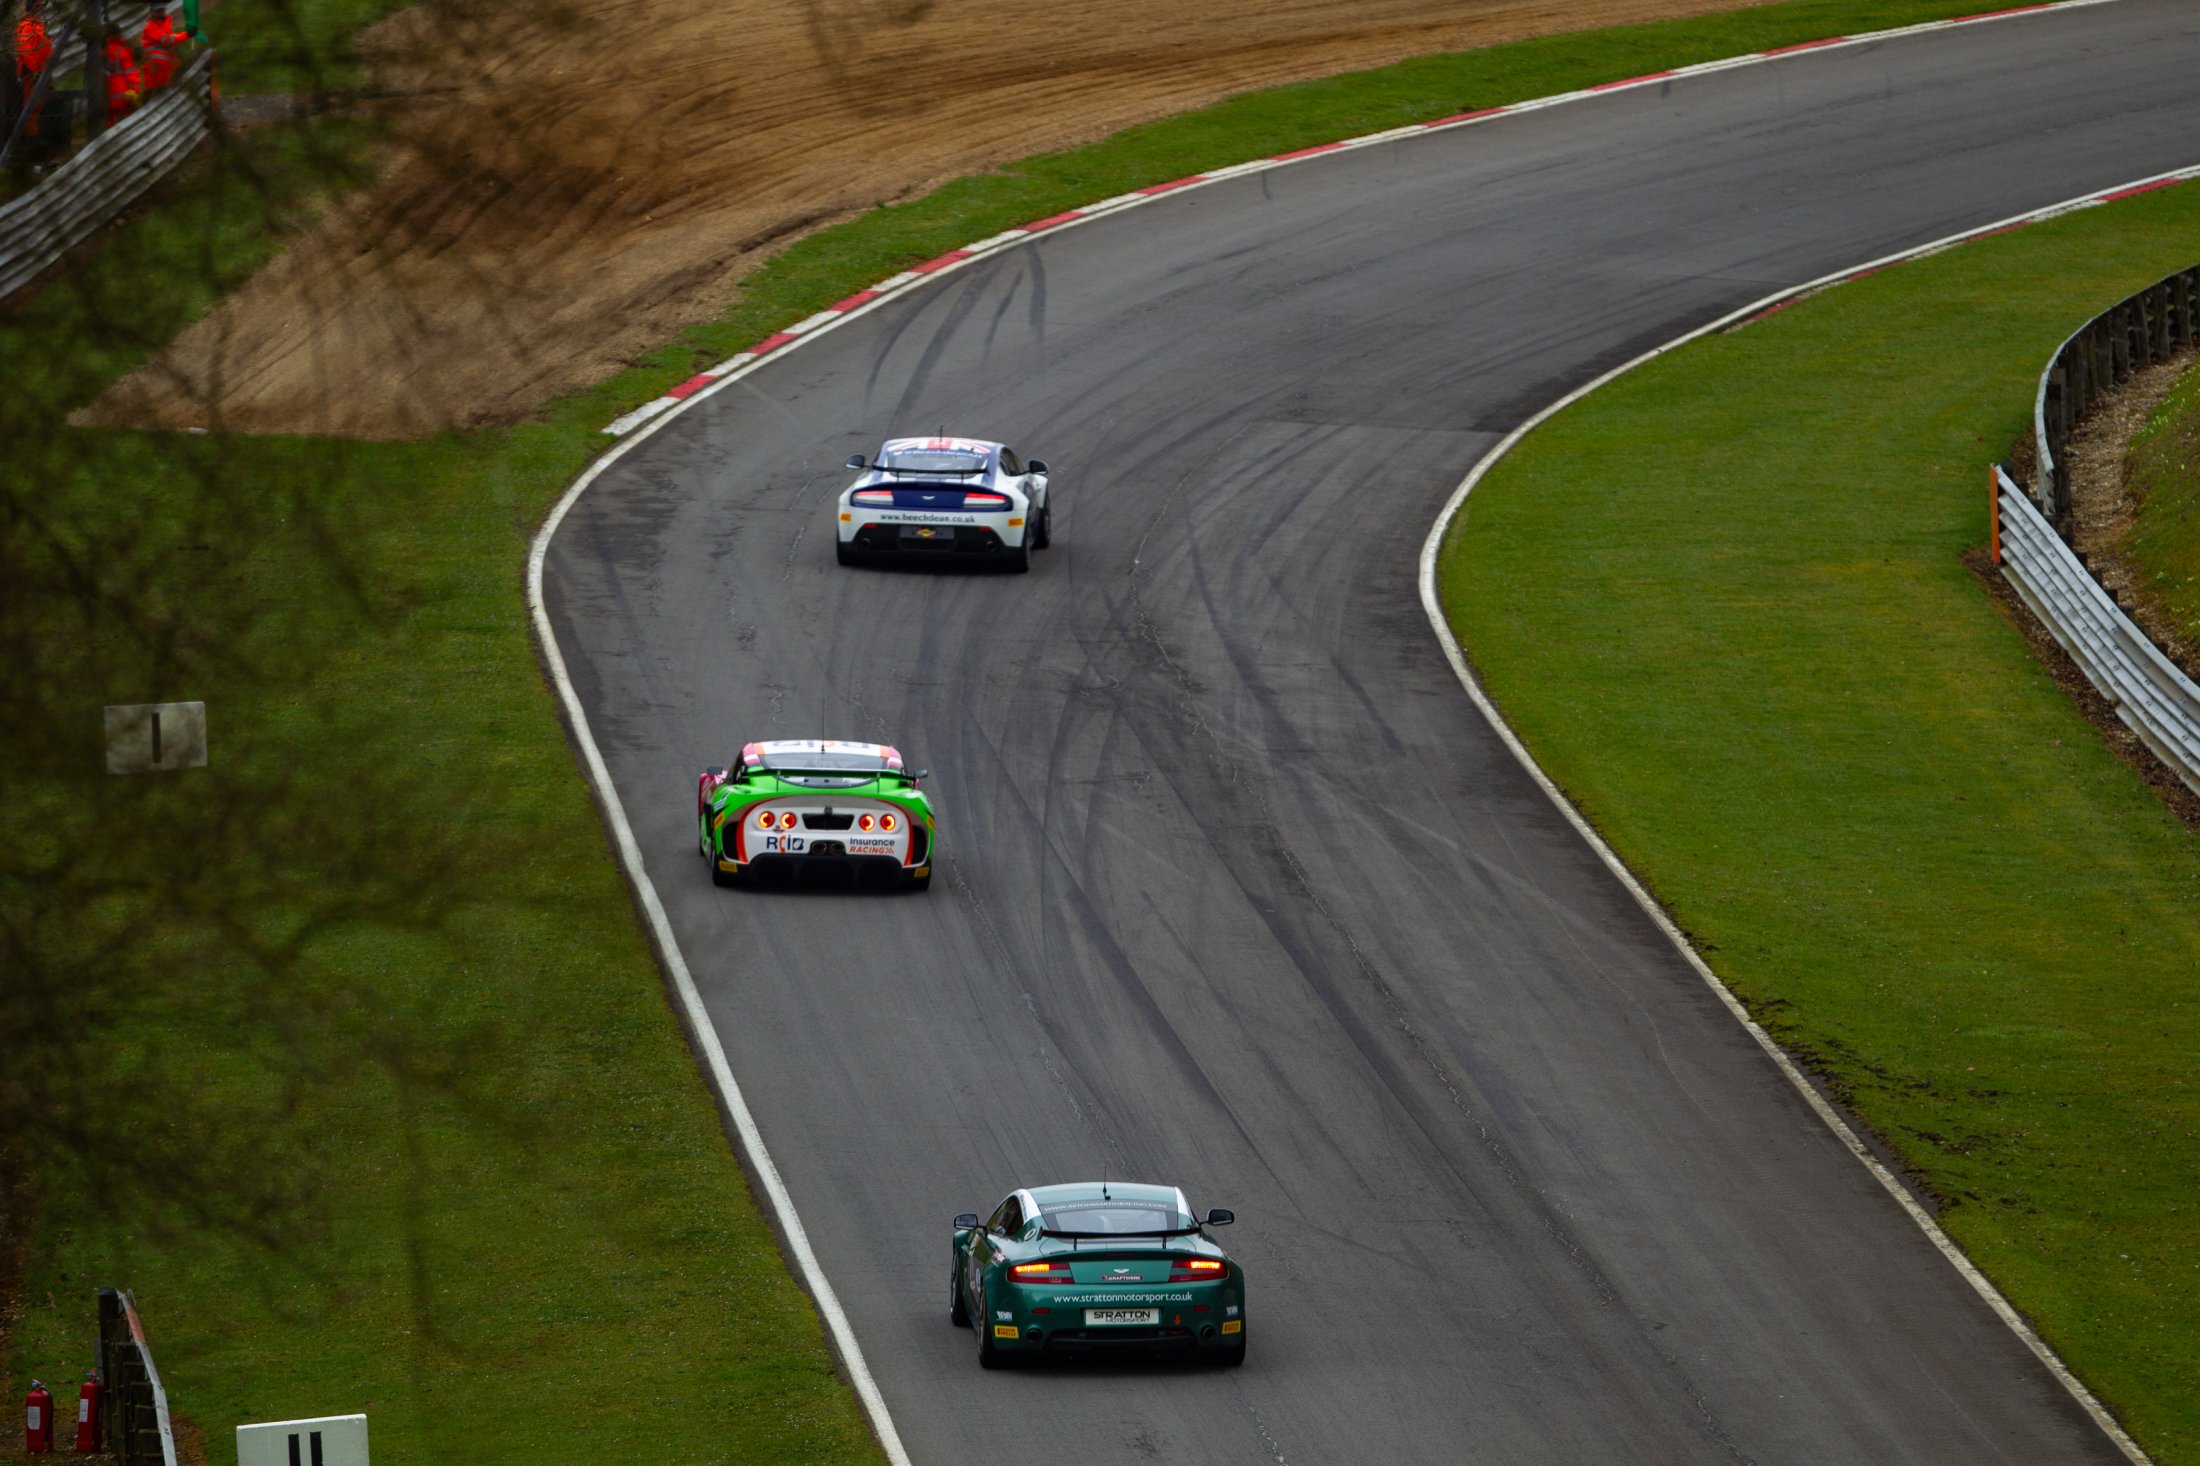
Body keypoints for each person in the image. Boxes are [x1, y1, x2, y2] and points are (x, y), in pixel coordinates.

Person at [101, 24, 140, 126]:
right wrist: (136, 92)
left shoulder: (102, 51)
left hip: (106, 96)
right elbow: (131, 73)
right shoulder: (122, 51)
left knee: (110, 125)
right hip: (123, 96)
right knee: (125, 125)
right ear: (118, 34)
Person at [139, 4, 183, 90]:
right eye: (157, 11)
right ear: (151, 12)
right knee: (151, 89)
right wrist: (186, 35)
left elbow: (170, 41)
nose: (160, 12)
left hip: (166, 64)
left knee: (165, 87)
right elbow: (167, 40)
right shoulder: (150, 27)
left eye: (162, 10)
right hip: (153, 65)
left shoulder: (166, 22)